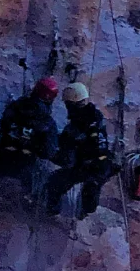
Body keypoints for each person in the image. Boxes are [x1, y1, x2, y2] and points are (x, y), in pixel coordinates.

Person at [0, 77, 60, 233]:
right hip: (25, 166)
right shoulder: (47, 122)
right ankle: (40, 213)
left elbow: (3, 128)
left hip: (3, 159)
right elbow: (48, 152)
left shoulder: (15, 107)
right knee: (43, 183)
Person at [46, 82, 119, 218]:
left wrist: (48, 152)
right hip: (102, 164)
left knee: (54, 183)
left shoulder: (78, 124)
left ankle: (51, 215)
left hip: (88, 167)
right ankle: (84, 213)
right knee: (89, 196)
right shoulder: (95, 116)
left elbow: (66, 151)